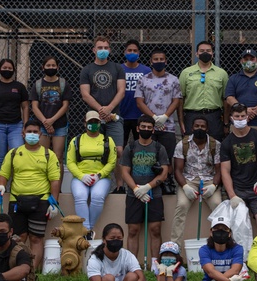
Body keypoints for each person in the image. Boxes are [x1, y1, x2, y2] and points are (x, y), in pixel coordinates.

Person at [0, 120, 62, 271]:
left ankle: (30, 273)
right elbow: (3, 174)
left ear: (40, 134)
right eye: (29, 131)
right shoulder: (13, 153)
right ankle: (17, 269)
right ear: (23, 133)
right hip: (16, 201)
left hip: (41, 201)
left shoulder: (48, 155)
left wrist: (54, 203)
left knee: (36, 238)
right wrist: (1, 185)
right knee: (17, 239)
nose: (32, 134)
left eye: (35, 132)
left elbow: (55, 181)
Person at [120, 115, 170, 262]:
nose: (146, 130)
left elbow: (164, 172)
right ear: (137, 128)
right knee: (133, 230)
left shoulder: (159, 148)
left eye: (149, 128)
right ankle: (132, 264)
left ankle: (155, 264)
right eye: (143, 127)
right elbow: (124, 172)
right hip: (133, 195)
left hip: (154, 194)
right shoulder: (130, 148)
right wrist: (136, 189)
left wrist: (148, 187)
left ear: (153, 130)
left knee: (155, 229)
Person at [171, 117, 223, 253]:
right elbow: (177, 170)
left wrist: (214, 186)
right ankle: (174, 248)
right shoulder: (182, 144)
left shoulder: (215, 144)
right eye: (196, 126)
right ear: (192, 127)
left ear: (207, 129)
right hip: (189, 181)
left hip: (209, 180)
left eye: (202, 126)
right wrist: (185, 187)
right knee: (181, 205)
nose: (199, 128)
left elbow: (219, 170)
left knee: (218, 206)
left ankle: (221, 246)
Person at [221, 103, 257, 233]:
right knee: (239, 223)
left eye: (243, 116)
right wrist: (232, 195)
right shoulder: (227, 143)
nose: (240, 119)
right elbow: (225, 171)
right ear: (231, 118)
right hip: (238, 189)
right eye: (237, 116)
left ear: (247, 117)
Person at [135, 48, 182, 186]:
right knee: (149, 156)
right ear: (151, 61)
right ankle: (148, 183)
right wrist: (154, 117)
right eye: (156, 59)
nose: (159, 61)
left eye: (162, 59)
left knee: (167, 157)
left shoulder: (173, 80)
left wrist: (165, 116)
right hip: (149, 126)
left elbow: (176, 100)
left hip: (168, 126)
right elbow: (139, 101)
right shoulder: (143, 80)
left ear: (166, 61)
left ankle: (167, 183)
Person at [67, 111, 119, 234]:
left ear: (100, 123)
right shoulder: (76, 140)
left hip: (101, 177)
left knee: (97, 196)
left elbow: (112, 162)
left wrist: (99, 175)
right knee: (80, 196)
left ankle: (89, 229)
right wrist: (81, 176)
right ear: (85, 123)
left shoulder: (108, 140)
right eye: (90, 122)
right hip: (81, 177)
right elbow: (70, 162)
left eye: (96, 122)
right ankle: (86, 229)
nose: (93, 124)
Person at [79, 36, 127, 160]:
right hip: (94, 117)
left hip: (114, 116)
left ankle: (119, 181)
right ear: (94, 50)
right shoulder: (86, 70)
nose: (103, 50)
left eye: (106, 48)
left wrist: (109, 109)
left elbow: (121, 91)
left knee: (118, 152)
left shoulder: (118, 68)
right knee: (96, 151)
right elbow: (85, 95)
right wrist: (101, 110)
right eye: (100, 47)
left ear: (110, 50)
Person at [0, 58, 29, 167]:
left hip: (16, 126)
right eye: (4, 68)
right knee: (0, 157)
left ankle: (16, 183)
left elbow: (25, 107)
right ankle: (1, 184)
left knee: (18, 155)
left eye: (9, 68)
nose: (7, 70)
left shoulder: (20, 87)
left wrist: (25, 126)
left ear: (13, 70)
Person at [179, 40, 229, 140]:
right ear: (197, 54)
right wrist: (181, 122)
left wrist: (226, 123)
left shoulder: (222, 73)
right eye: (202, 51)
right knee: (190, 147)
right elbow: (181, 98)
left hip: (214, 116)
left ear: (212, 53)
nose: (205, 53)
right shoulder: (186, 73)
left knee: (215, 146)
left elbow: (225, 99)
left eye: (208, 50)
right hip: (191, 116)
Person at [224, 48, 257, 140]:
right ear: (241, 61)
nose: (249, 61)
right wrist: (244, 111)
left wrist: (253, 112)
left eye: (251, 59)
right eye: (246, 59)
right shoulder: (234, 78)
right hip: (238, 124)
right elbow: (229, 98)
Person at [30, 56, 71, 164]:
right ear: (43, 67)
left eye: (53, 65)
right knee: (43, 156)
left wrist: (52, 120)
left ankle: (57, 181)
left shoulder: (63, 84)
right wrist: (46, 122)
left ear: (58, 67)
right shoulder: (37, 84)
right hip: (42, 126)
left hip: (60, 125)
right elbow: (34, 106)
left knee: (58, 157)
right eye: (48, 65)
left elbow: (65, 105)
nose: (51, 67)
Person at [119, 40, 152, 145]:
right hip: (121, 114)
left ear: (139, 53)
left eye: (135, 50)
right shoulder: (119, 69)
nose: (132, 53)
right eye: (129, 50)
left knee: (140, 145)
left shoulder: (146, 71)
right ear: (124, 52)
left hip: (140, 115)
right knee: (121, 145)